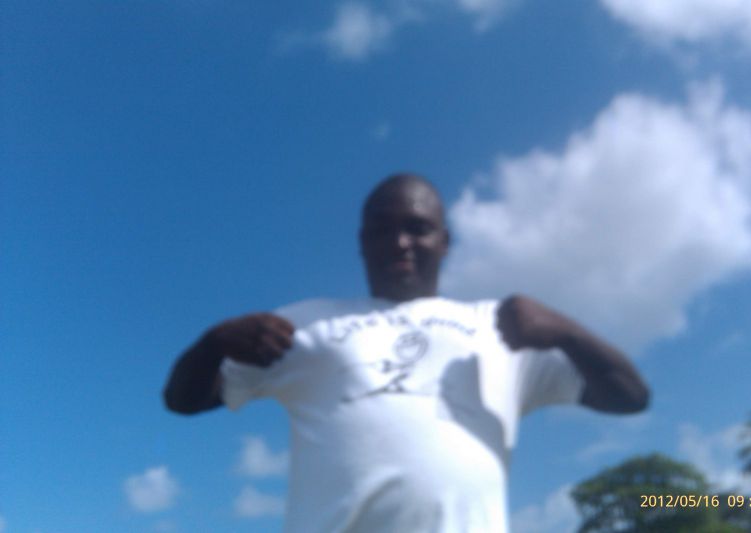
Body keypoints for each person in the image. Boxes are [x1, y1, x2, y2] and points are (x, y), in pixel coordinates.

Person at [163, 173, 649, 532]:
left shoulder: (501, 328)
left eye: (418, 228)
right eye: (381, 230)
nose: (400, 243)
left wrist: (566, 332)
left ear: (444, 242)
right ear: (362, 243)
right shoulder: (305, 324)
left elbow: (630, 397)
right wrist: (212, 343)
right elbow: (183, 400)